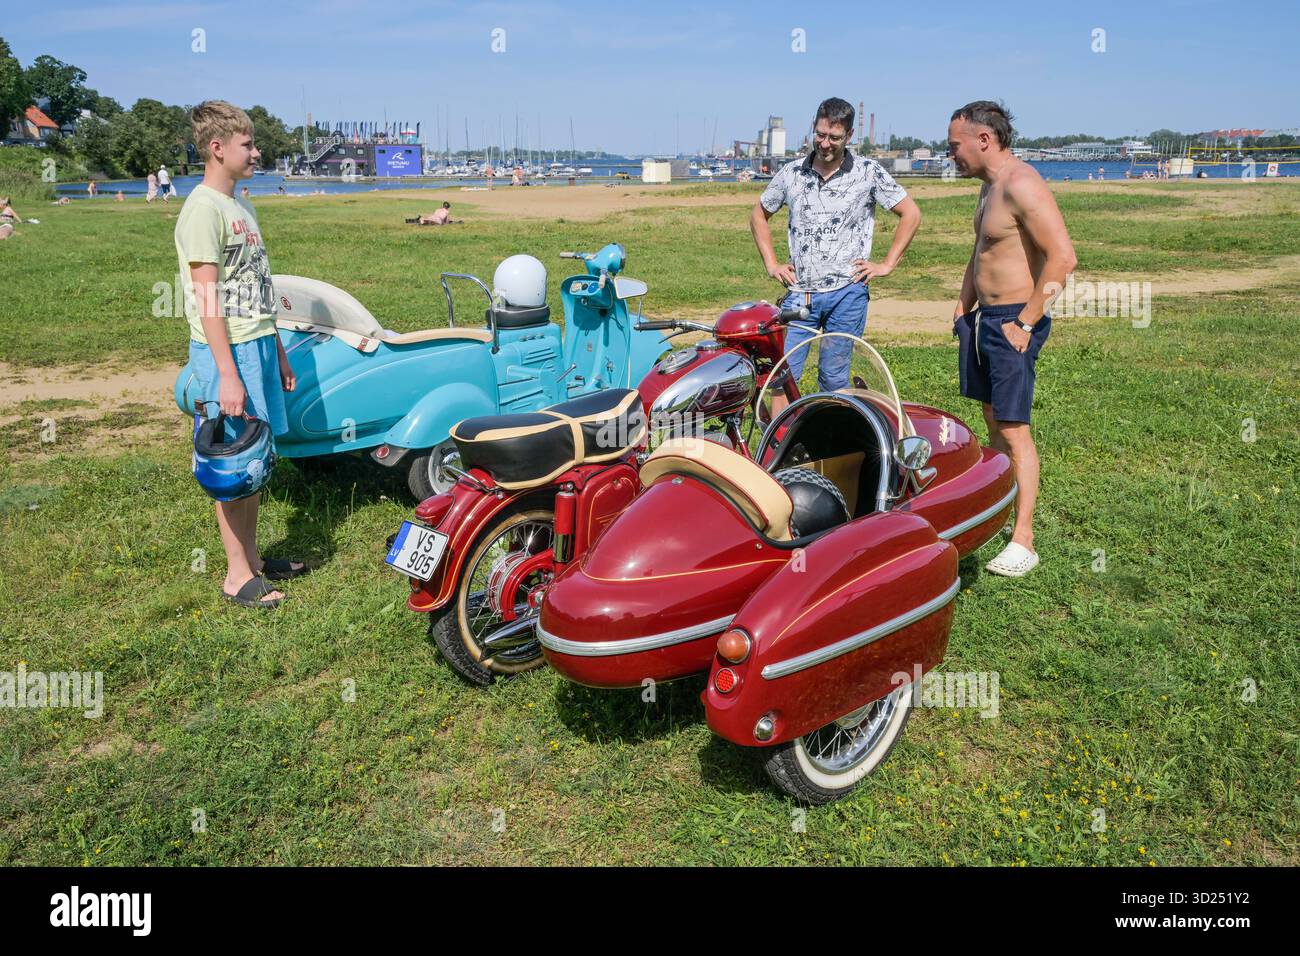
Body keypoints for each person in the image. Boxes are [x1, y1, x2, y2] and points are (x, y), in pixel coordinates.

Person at [175, 100, 307, 609]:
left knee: (253, 458)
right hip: (224, 353)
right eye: (247, 144)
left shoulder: (241, 207)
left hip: (256, 344)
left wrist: (277, 350)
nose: (256, 152)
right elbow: (207, 298)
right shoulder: (203, 209)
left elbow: (256, 288)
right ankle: (235, 576)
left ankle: (252, 559)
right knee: (230, 464)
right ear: (217, 148)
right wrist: (228, 376)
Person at [948, 101, 1076, 577]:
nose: (951, 155)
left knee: (1014, 427)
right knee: (992, 419)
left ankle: (1024, 538)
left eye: (955, 145)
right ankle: (1002, 512)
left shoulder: (1022, 183)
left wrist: (1025, 322)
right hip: (985, 318)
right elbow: (982, 250)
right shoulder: (989, 189)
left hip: (1012, 321)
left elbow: (1063, 257)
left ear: (984, 140)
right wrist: (965, 302)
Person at [750, 97, 921, 416]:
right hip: (801, 295)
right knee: (782, 377)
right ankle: (778, 449)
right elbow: (759, 214)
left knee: (833, 377)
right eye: (820, 134)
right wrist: (772, 264)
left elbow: (910, 214)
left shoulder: (868, 173)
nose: (825, 143)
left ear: (849, 136)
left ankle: (831, 444)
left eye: (834, 137)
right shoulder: (791, 174)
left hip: (848, 294)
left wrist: (886, 264)